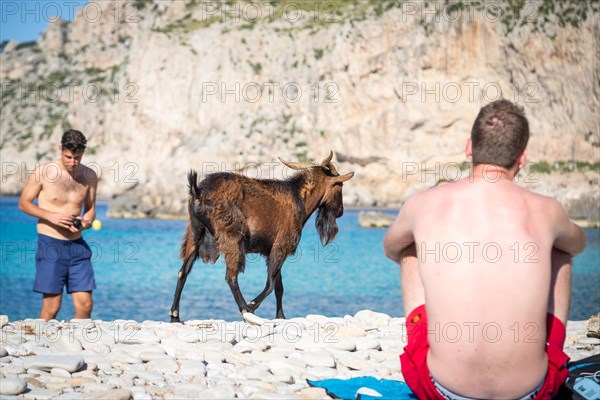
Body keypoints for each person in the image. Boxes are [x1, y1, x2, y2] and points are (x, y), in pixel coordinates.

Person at [384, 100, 586, 399]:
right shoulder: (547, 209)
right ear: (522, 157)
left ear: (469, 147)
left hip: (440, 389)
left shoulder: (423, 203)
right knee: (561, 251)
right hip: (533, 391)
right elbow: (578, 244)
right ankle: (548, 352)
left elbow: (391, 248)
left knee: (409, 248)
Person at [19, 129, 98, 320]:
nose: (73, 162)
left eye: (77, 157)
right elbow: (24, 203)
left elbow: (90, 209)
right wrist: (50, 216)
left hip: (78, 246)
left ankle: (78, 347)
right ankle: (41, 346)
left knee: (85, 304)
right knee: (52, 306)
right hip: (50, 244)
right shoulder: (43, 172)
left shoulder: (89, 176)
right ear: (61, 149)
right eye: (68, 157)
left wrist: (85, 223)